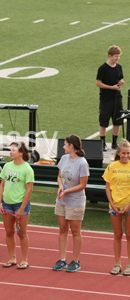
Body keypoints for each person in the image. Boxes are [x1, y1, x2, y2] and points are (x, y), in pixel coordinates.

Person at [53, 135, 89, 273]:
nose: (63, 147)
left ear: (71, 146)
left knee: (75, 231)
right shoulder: (63, 159)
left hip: (75, 201)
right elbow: (59, 176)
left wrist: (66, 191)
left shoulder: (82, 163)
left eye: (65, 144)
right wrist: (61, 187)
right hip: (62, 199)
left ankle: (75, 260)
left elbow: (83, 184)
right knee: (62, 229)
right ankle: (62, 260)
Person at [0, 141, 34, 270]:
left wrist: (22, 208)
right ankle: (12, 258)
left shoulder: (27, 169)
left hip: (20, 205)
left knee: (22, 233)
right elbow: (2, 184)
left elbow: (29, 190)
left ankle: (24, 260)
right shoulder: (7, 166)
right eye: (10, 149)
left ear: (21, 153)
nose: (10, 152)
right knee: (9, 232)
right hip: (7, 204)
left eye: (13, 150)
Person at [103, 139, 130, 276]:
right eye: (123, 153)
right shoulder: (112, 167)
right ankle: (118, 263)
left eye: (128, 153)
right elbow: (108, 187)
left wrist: (128, 205)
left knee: (129, 235)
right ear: (118, 153)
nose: (126, 156)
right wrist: (112, 203)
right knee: (117, 235)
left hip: (129, 206)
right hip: (115, 206)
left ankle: (129, 264)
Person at [96, 45, 124, 151]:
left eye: (118, 56)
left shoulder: (119, 67)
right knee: (104, 121)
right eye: (116, 56)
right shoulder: (103, 68)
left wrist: (120, 84)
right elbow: (98, 83)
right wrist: (111, 88)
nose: (117, 58)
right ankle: (102, 143)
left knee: (118, 121)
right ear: (110, 56)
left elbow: (119, 80)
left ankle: (114, 142)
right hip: (106, 98)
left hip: (117, 97)